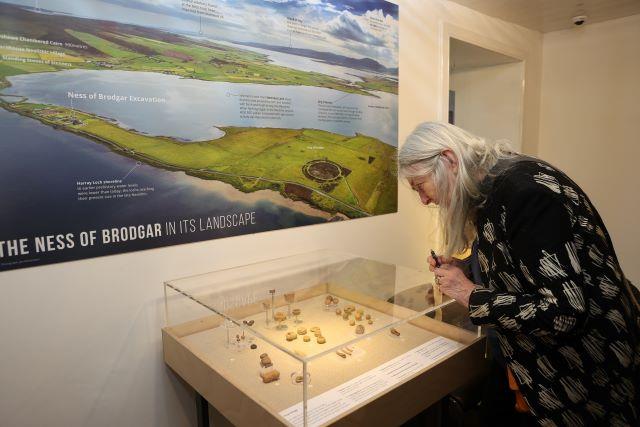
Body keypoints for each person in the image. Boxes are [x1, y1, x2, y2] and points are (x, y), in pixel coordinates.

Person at [399, 122, 640, 426]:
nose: (423, 200)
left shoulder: (524, 192)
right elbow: (517, 256)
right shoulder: (493, 187)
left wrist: (468, 293)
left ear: (448, 159)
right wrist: (466, 267)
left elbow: (564, 311)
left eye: (421, 186)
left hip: (582, 373)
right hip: (530, 360)